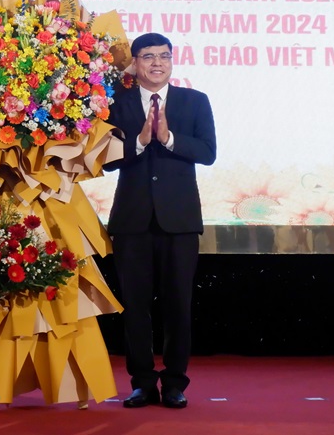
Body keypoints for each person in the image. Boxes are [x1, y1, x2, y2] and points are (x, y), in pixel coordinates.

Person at [105, 32, 217, 410]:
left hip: (179, 221)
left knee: (178, 306)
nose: (157, 63)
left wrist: (169, 138)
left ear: (172, 61)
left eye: (164, 56)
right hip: (132, 221)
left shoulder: (195, 101)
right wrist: (138, 142)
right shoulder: (116, 103)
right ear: (135, 63)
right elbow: (104, 160)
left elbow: (208, 152)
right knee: (135, 308)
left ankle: (174, 384)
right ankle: (141, 383)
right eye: (148, 56)